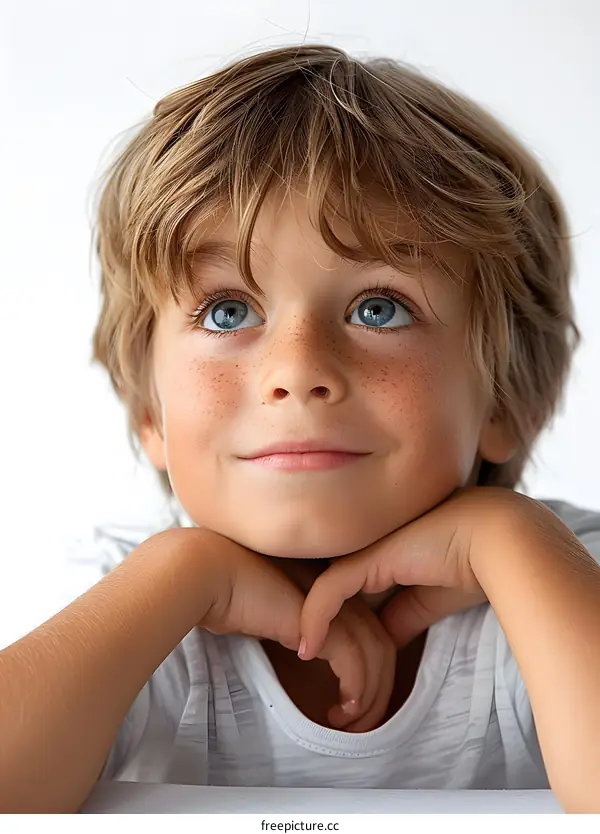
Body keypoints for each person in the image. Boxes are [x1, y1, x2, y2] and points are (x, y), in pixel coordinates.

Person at [1, 44, 599, 814]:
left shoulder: (561, 579)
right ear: (150, 411)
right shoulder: (127, 596)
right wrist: (182, 575)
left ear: (505, 401)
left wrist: (508, 539)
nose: (296, 368)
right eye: (227, 311)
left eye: (377, 308)